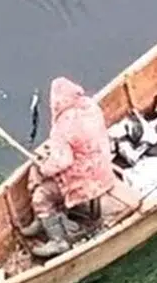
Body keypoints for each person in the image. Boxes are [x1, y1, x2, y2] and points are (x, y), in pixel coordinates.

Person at [20, 77, 121, 258]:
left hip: (85, 180)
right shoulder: (90, 108)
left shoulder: (63, 126)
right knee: (36, 167)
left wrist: (45, 167)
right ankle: (41, 220)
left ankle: (58, 241)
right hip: (102, 166)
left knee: (41, 195)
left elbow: (62, 162)